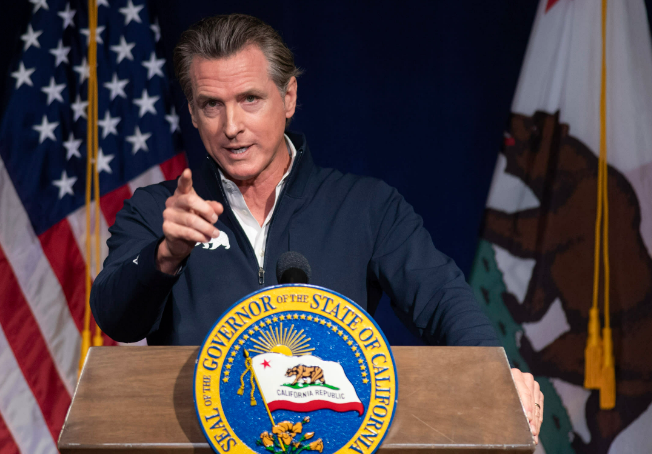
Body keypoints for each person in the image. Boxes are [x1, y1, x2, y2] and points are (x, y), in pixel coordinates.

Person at [90, 14, 543, 442]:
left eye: (250, 99)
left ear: (288, 97)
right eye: (212, 105)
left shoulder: (367, 206)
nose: (232, 126)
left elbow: (442, 300)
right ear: (192, 112)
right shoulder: (157, 210)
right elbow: (116, 319)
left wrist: (494, 373)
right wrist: (165, 256)